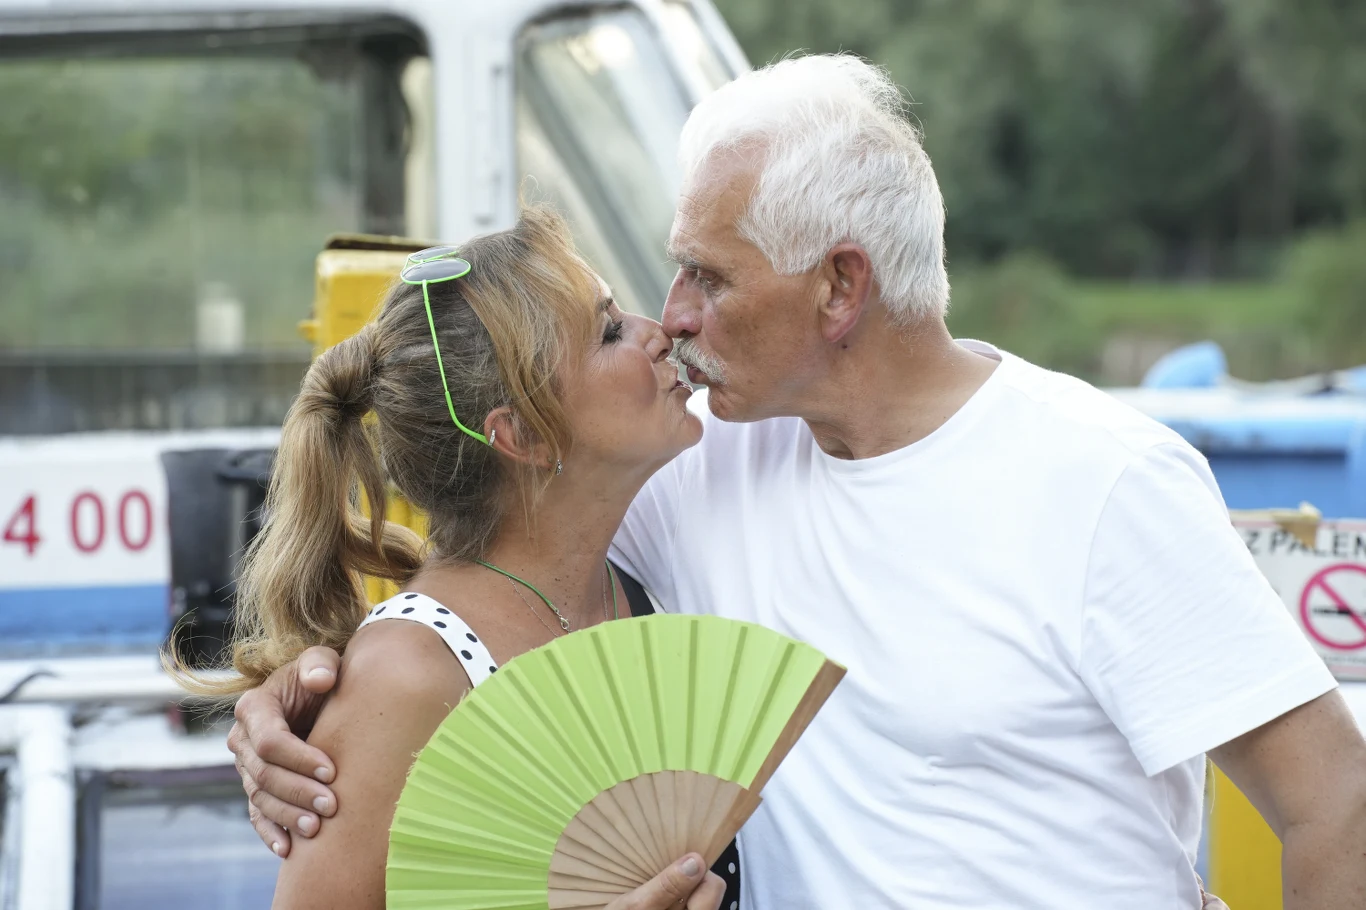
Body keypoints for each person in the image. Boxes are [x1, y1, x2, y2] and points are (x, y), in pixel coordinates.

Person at [231, 55, 1366, 908]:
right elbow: (493, 581)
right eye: (651, 291)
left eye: (704, 276)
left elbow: (1336, 809)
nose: (672, 319)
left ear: (838, 288)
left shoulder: (1103, 478)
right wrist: (298, 698)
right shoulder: (686, 467)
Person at [182, 208, 733, 910]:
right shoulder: (408, 677)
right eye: (609, 331)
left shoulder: (646, 572)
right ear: (523, 434)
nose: (659, 333)